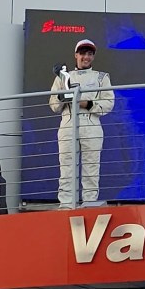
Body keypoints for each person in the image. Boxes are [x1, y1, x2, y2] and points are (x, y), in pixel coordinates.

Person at [48, 39, 114, 208]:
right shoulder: (63, 77)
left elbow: (108, 104)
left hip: (91, 125)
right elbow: (54, 106)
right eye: (83, 53)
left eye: (90, 54)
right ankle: (66, 206)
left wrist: (87, 104)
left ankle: (89, 205)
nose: (86, 57)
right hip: (68, 125)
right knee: (67, 168)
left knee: (91, 169)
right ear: (76, 55)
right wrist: (63, 95)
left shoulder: (101, 77)